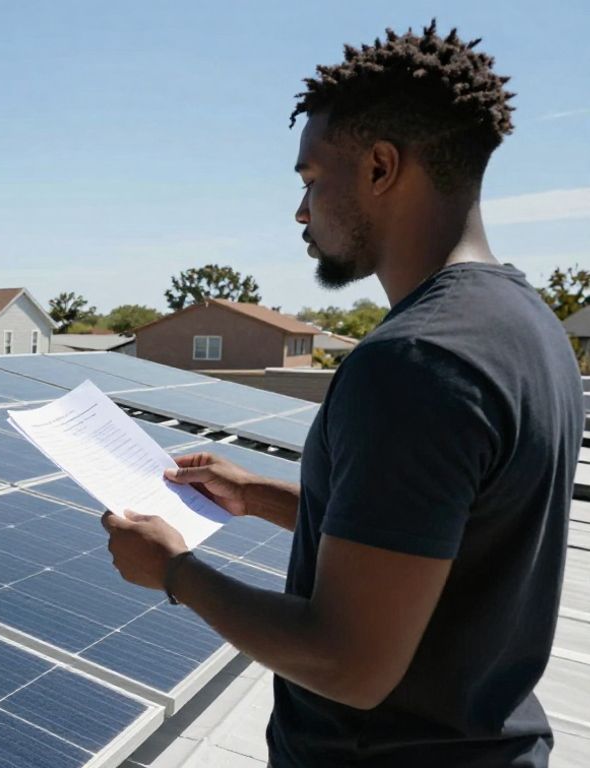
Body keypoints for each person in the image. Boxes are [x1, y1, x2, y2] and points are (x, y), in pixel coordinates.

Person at [103, 21, 582, 767]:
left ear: (381, 168)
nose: (301, 210)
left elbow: (349, 664)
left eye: (311, 180)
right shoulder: (527, 326)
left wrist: (174, 571)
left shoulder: (416, 363)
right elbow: (432, 539)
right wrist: (256, 496)